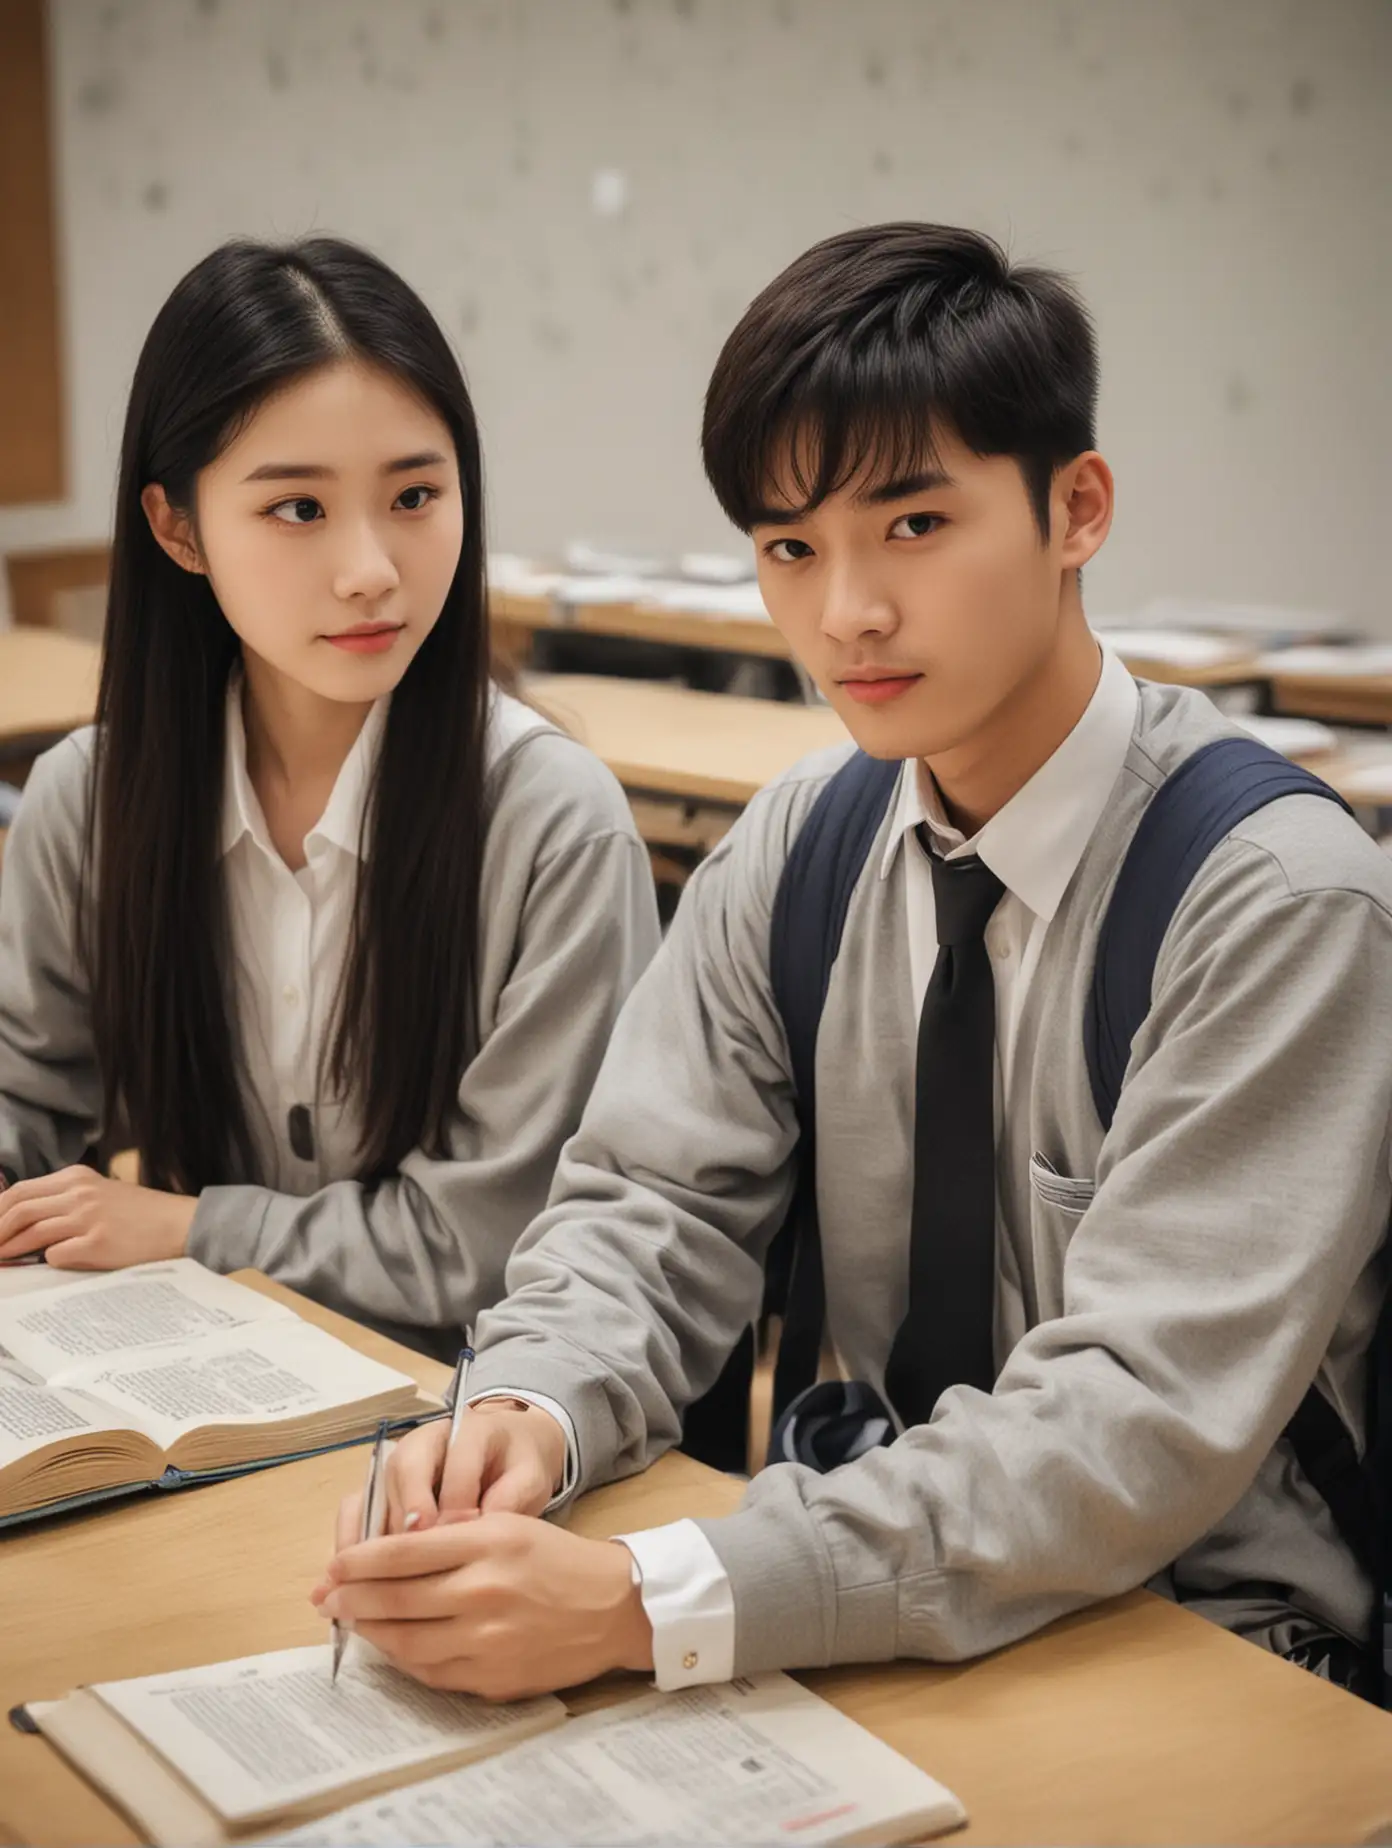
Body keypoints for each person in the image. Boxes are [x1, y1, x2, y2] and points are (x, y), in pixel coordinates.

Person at [314, 222, 1392, 1695]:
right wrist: (530, 1405)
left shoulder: (1273, 902)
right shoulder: (797, 850)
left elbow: (1131, 1425)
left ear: (1078, 509)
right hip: (871, 1587)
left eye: (916, 525)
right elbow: (649, 1206)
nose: (846, 614)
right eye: (789, 549)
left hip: (1208, 1640)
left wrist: (656, 1599)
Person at [0, 236, 659, 1359]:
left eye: (415, 494)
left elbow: (488, 1240)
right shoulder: (89, 805)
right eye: (297, 509)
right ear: (176, 529)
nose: (371, 568)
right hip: (194, 1375)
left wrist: (198, 1228)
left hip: (467, 1418)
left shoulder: (552, 824)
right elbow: (24, 1104)